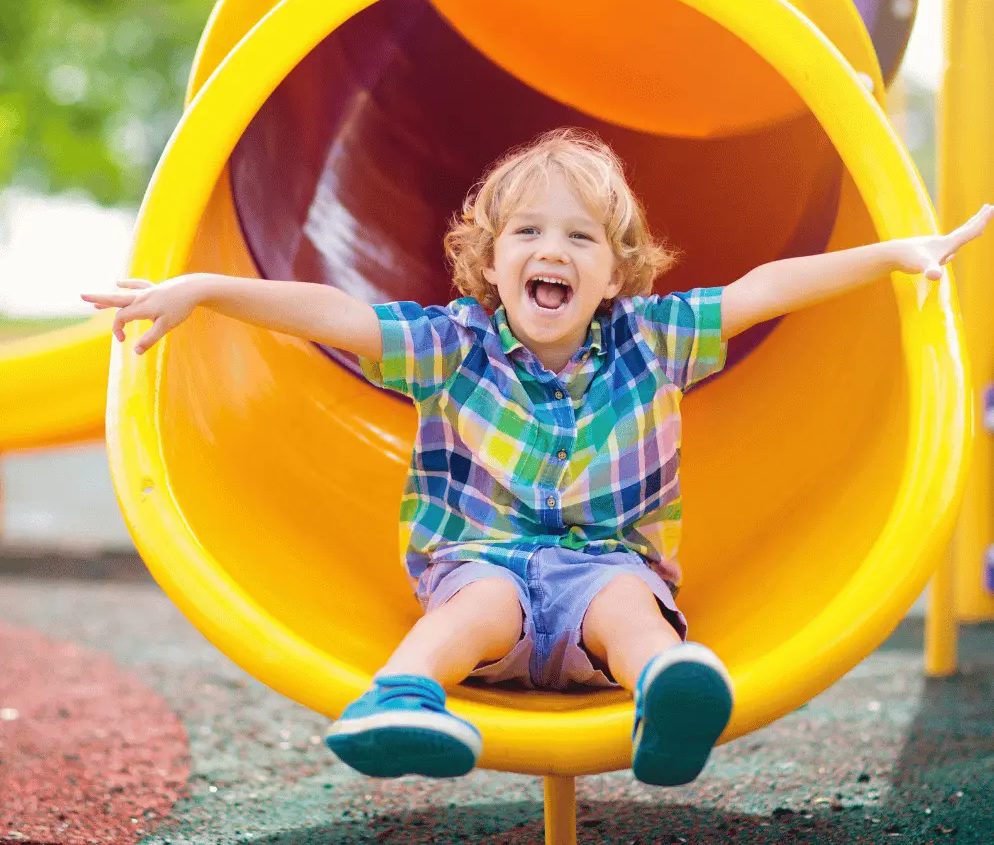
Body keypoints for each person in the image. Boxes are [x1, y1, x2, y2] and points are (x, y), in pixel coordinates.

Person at [82, 128, 990, 787]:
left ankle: (668, 690)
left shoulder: (655, 337)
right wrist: (202, 289)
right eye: (527, 233)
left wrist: (893, 255)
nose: (551, 251)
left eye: (581, 238)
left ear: (616, 273)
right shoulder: (453, 342)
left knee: (630, 605)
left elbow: (764, 290)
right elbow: (334, 314)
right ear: (489, 259)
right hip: (486, 575)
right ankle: (400, 699)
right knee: (479, 598)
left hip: (604, 572)